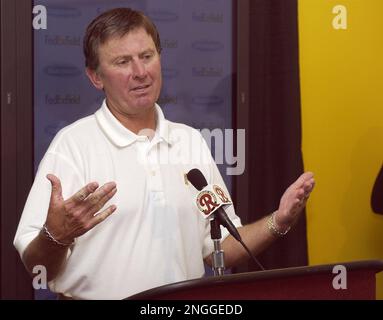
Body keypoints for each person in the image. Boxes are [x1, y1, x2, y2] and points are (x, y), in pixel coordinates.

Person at [14, 8, 315, 300]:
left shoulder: (190, 141)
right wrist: (57, 236)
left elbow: (220, 246)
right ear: (96, 77)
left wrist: (280, 220)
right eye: (122, 61)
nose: (140, 72)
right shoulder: (72, 146)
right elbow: (36, 265)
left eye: (147, 56)